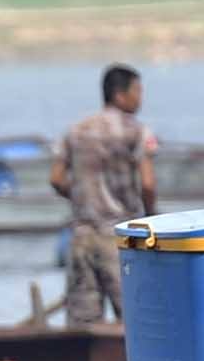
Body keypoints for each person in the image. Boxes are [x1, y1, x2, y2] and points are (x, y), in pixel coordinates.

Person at [46, 63, 157, 324]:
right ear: (120, 95)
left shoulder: (76, 131)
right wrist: (150, 217)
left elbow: (56, 178)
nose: (140, 98)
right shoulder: (137, 131)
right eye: (137, 91)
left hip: (81, 237)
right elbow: (149, 185)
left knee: (83, 323)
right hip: (118, 238)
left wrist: (81, 198)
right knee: (134, 319)